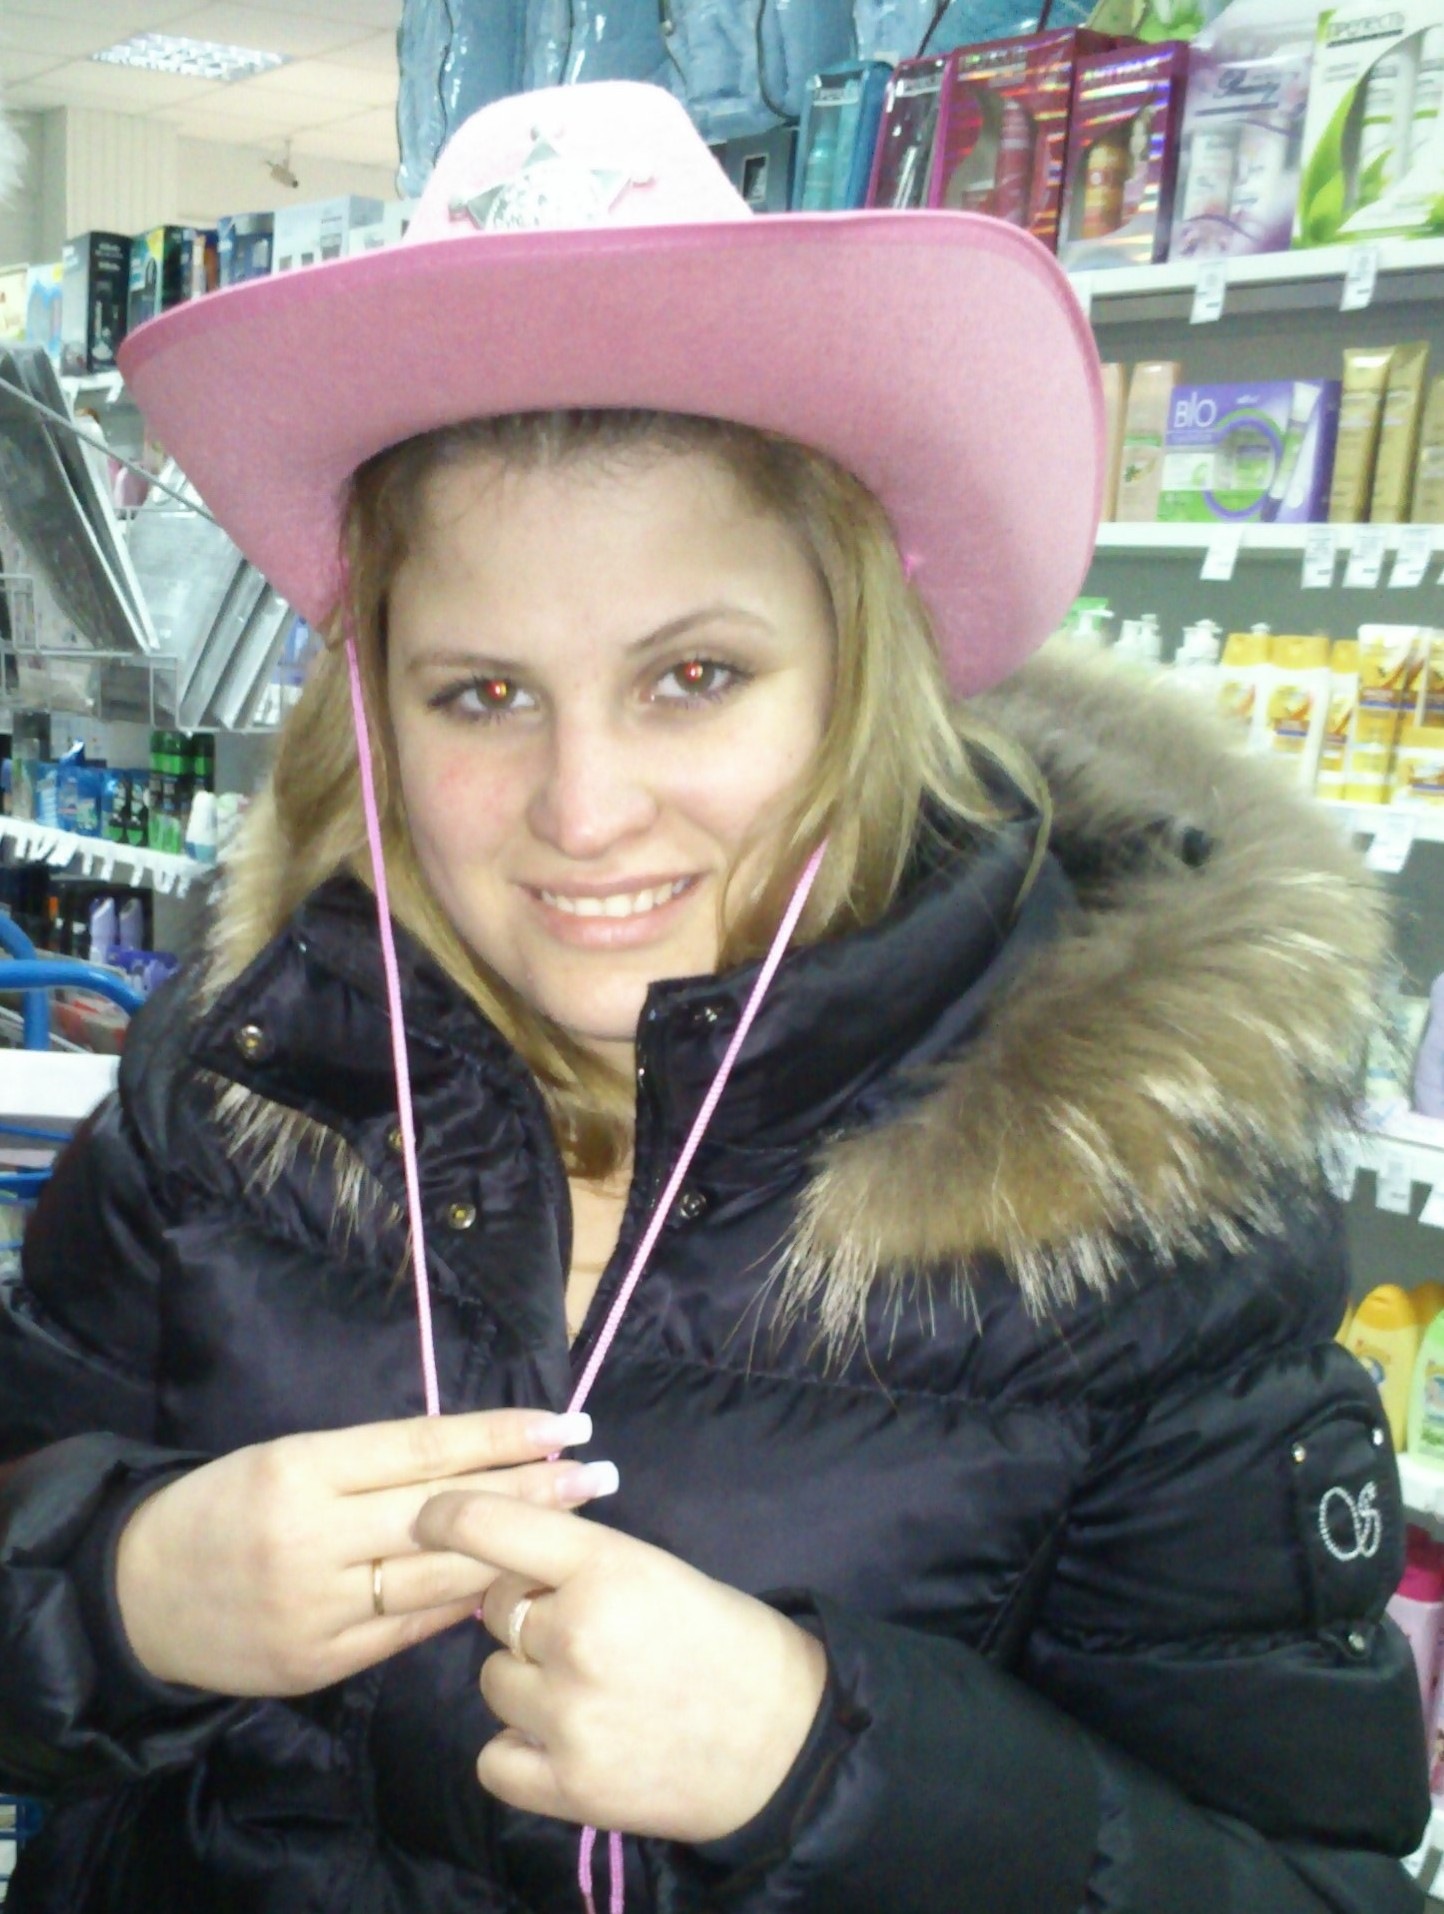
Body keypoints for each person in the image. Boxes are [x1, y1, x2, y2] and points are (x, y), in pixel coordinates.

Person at [0, 79, 1429, 1914]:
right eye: (483, 693)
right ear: (373, 710)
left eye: (692, 675)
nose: (585, 810)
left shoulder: (1141, 1213)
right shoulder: (231, 1079)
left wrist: (830, 1768)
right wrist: (120, 1596)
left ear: (859, 665)